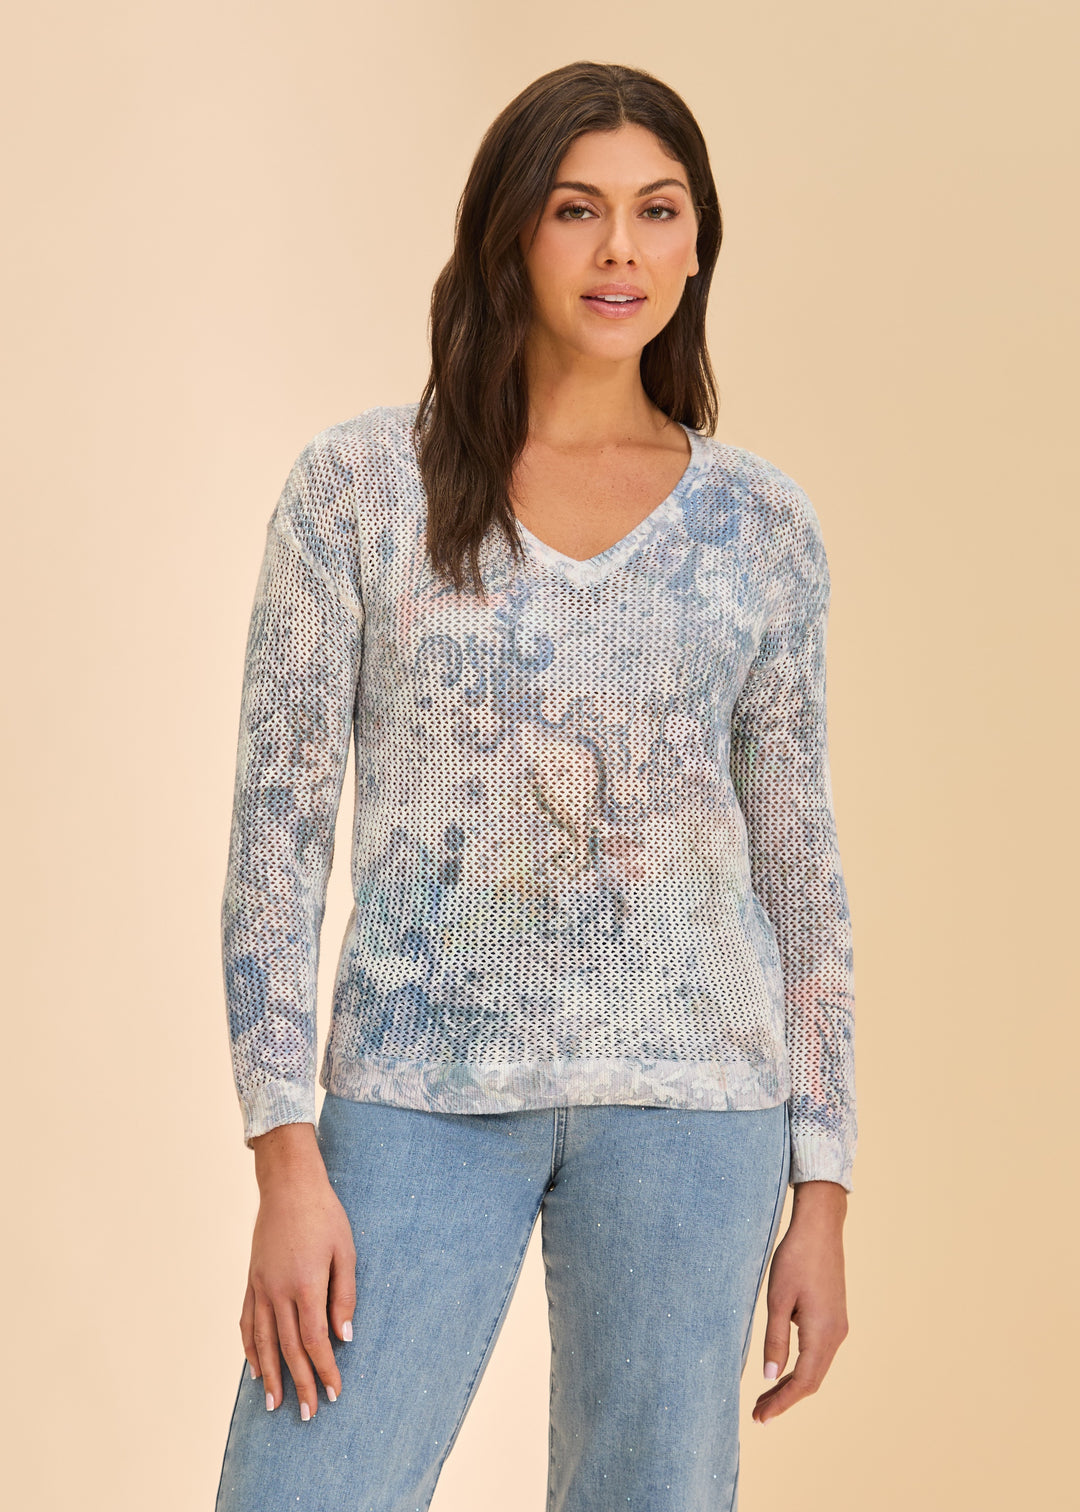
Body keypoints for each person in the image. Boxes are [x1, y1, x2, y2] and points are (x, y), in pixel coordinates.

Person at [214, 58, 856, 1512]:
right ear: (512, 229)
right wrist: (284, 1157)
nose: (620, 250)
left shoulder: (759, 525)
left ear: (698, 245)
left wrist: (822, 1187)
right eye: (578, 209)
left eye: (657, 211)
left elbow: (801, 866)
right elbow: (276, 839)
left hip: (698, 1106)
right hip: (412, 1094)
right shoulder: (359, 491)